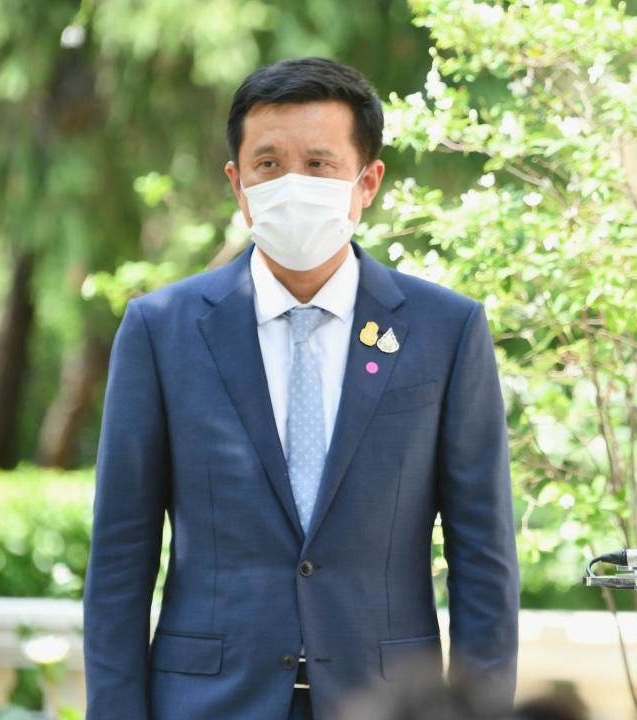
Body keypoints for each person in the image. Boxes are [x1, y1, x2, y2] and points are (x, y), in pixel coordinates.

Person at [84, 57, 519, 719]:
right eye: (268, 164)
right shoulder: (161, 330)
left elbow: (483, 558)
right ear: (237, 183)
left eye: (319, 164)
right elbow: (121, 557)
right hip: (207, 702)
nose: (292, 184)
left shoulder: (446, 331)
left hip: (387, 702)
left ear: (367, 182)